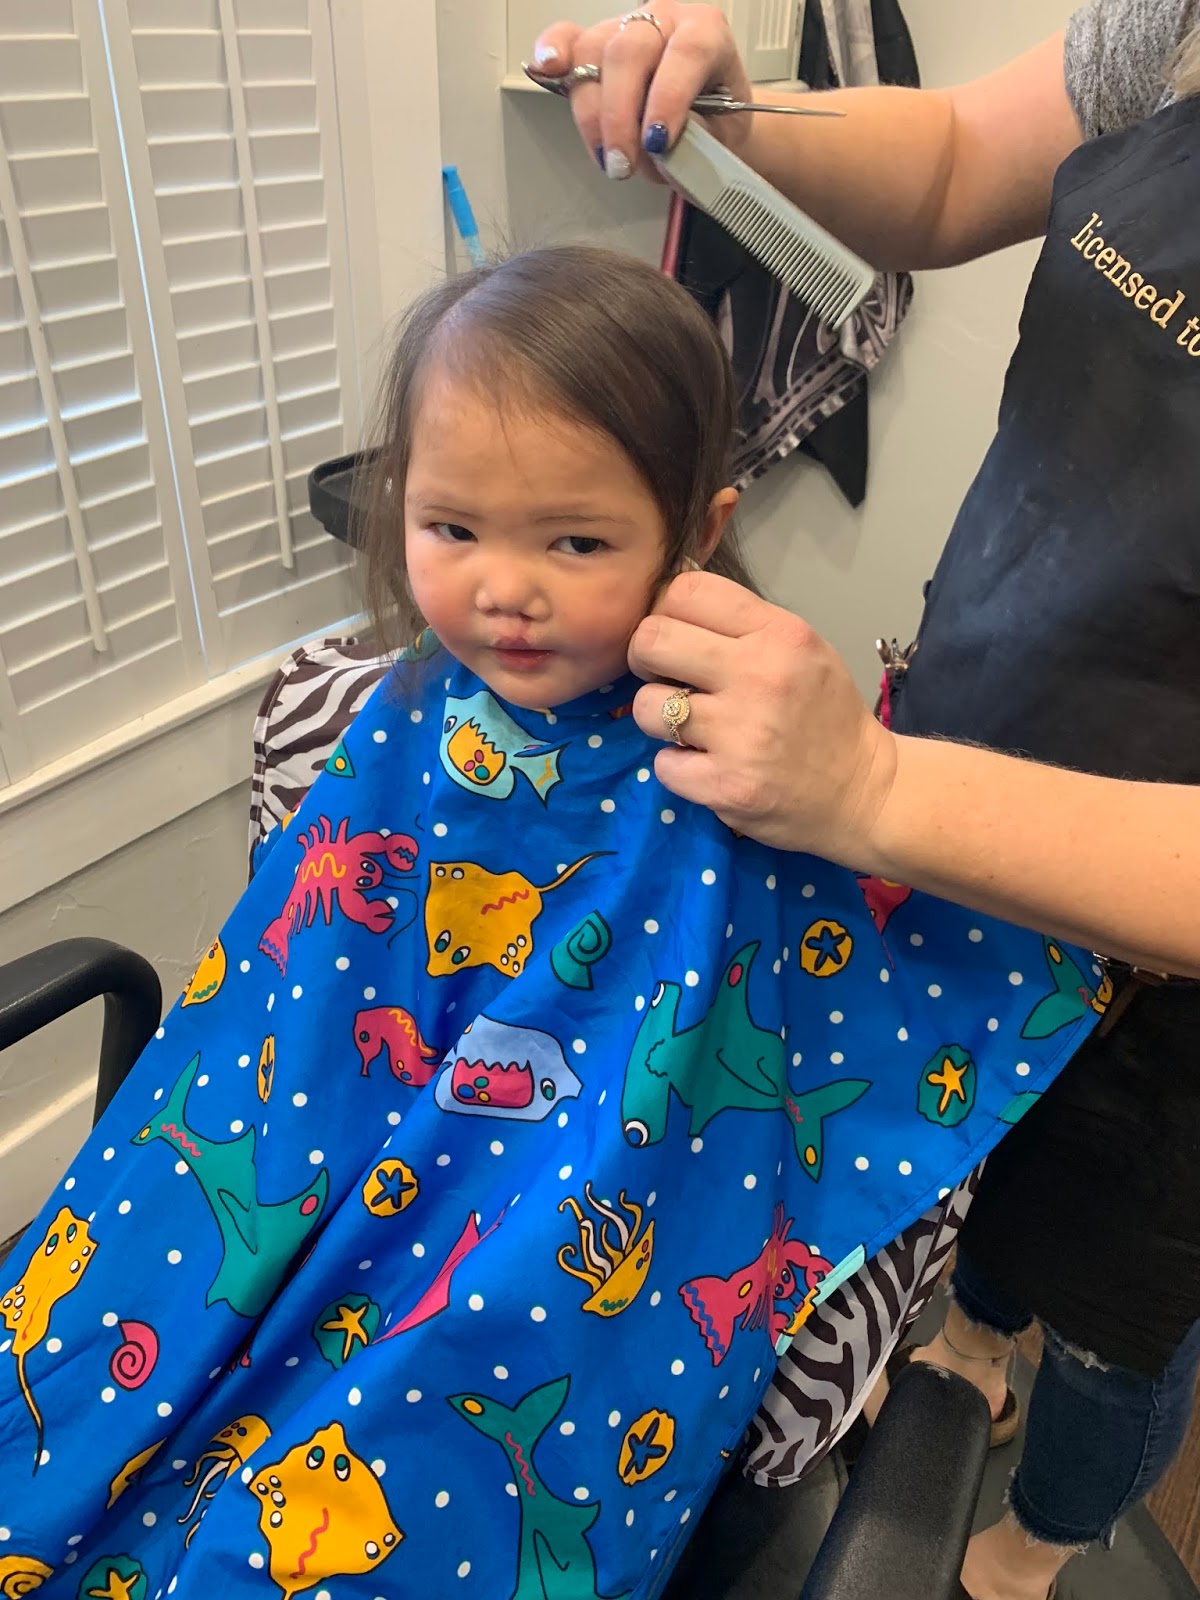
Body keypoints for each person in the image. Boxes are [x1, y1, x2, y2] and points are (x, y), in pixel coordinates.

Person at [0, 248, 1094, 1600]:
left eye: (574, 543)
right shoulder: (391, 718)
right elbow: (293, 1011)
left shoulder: (736, 774)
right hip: (291, 1166)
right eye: (452, 528)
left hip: (540, 1234)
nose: (502, 588)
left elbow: (847, 973)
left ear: (696, 530)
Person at [529, 3, 1200, 1596]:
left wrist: (870, 785)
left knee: (1111, 1321)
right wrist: (748, 122)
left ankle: (1042, 1544)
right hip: (955, 785)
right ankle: (967, 1342)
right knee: (955, 1176)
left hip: (1166, 990)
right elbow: (961, 154)